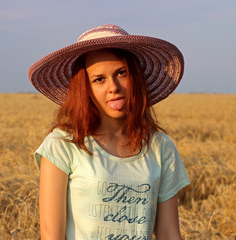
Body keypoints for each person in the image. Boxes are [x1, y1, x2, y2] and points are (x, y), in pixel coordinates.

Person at [28, 24, 190, 240]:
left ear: (135, 77)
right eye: (99, 79)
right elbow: (51, 234)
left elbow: (169, 233)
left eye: (121, 73)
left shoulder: (161, 147)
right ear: (85, 88)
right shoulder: (62, 144)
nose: (113, 87)